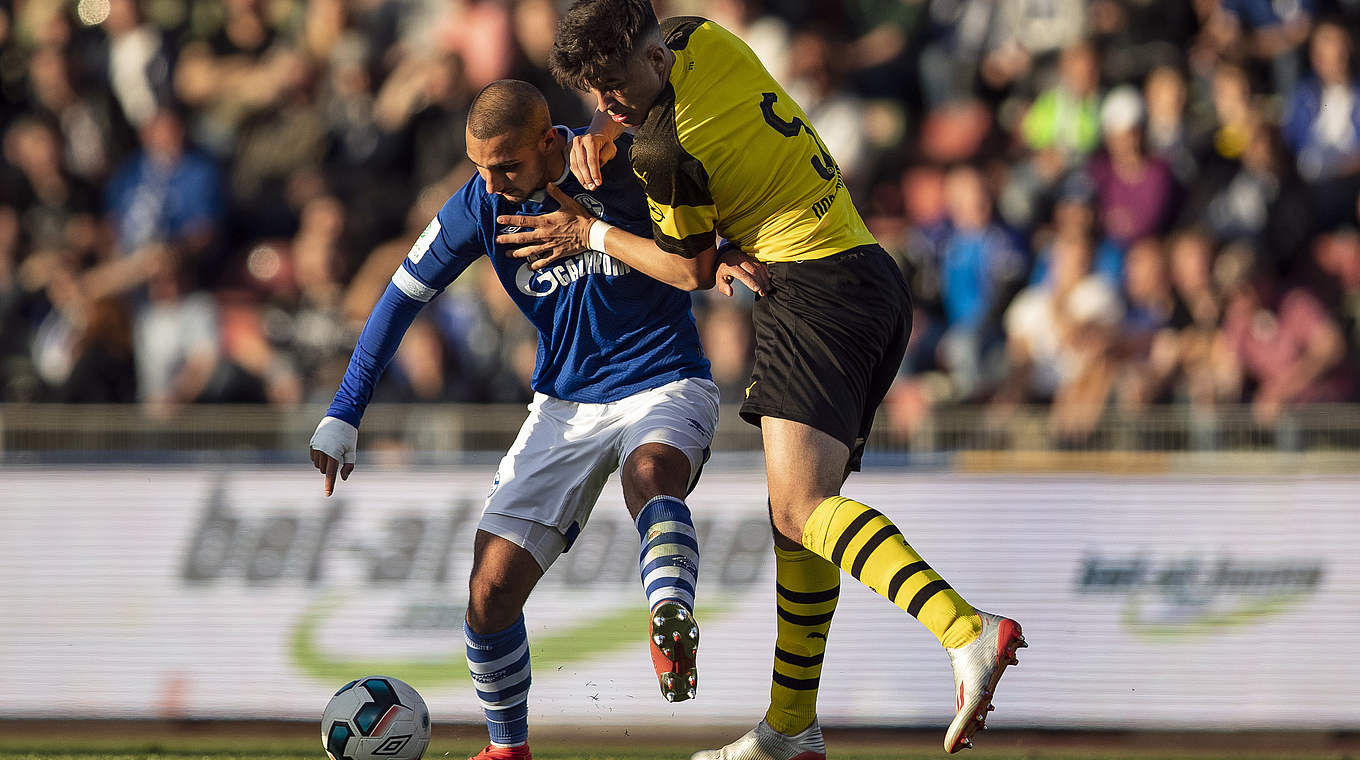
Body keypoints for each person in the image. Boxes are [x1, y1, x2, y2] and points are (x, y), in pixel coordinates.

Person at [498, 3, 1026, 756]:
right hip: (866, 273)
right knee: (797, 519)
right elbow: (659, 131)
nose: (609, 108)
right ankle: (789, 726)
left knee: (803, 507)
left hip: (810, 293)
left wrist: (590, 232)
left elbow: (686, 269)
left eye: (614, 91)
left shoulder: (665, 152)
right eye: (596, 97)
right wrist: (605, 133)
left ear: (647, 61)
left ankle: (965, 629)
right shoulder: (696, 36)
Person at [307, 80, 766, 760]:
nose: (491, 184)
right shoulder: (477, 206)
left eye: (506, 166)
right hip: (564, 405)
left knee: (651, 473)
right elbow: (401, 294)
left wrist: (723, 247)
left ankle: (669, 613)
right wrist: (345, 409)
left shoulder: (625, 167)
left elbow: (705, 223)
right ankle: (508, 750)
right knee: (489, 591)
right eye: (479, 167)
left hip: (666, 378)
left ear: (550, 142)